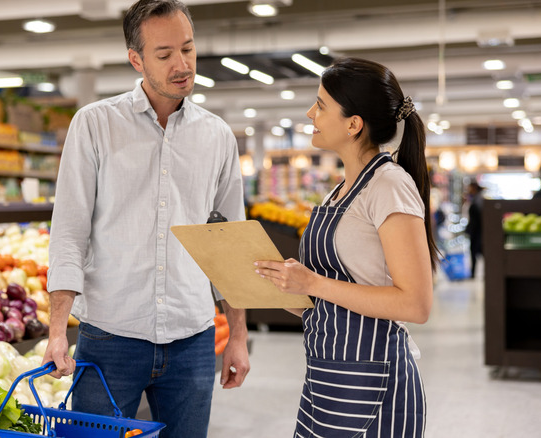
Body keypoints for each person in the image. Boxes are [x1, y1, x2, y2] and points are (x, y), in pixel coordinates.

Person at [43, 1, 250, 436]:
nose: (182, 64)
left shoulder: (217, 137)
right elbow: (69, 233)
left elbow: (230, 243)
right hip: (109, 338)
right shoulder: (95, 125)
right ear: (136, 59)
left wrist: (239, 336)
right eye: (164, 54)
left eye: (188, 50)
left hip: (192, 337)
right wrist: (57, 331)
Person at [254, 58, 436, 437]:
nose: (310, 113)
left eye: (320, 105)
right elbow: (324, 296)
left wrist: (313, 285)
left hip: (375, 383)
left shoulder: (389, 186)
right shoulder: (339, 191)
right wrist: (280, 283)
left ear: (354, 124)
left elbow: (415, 304)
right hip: (326, 379)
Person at [465, 181, 484, 278]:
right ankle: (474, 273)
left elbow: (477, 218)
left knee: (476, 252)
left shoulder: (478, 199)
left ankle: (473, 273)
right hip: (477, 231)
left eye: (470, 188)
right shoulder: (477, 198)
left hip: (477, 232)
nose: (468, 190)